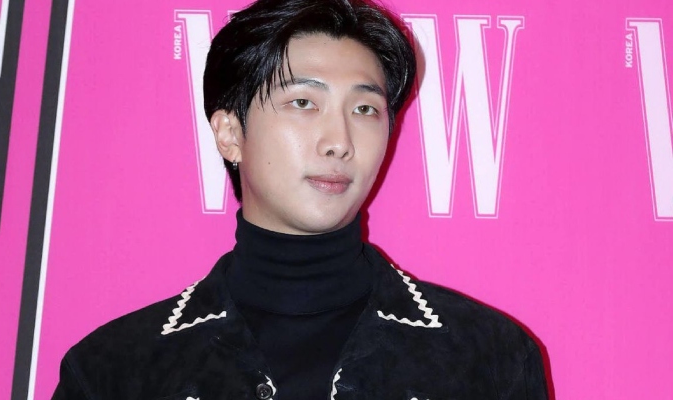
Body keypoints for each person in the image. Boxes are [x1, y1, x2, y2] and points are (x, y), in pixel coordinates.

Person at [53, 0, 549, 399]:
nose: (339, 142)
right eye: (304, 103)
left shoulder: (489, 359)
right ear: (230, 134)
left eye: (365, 109)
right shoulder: (114, 370)